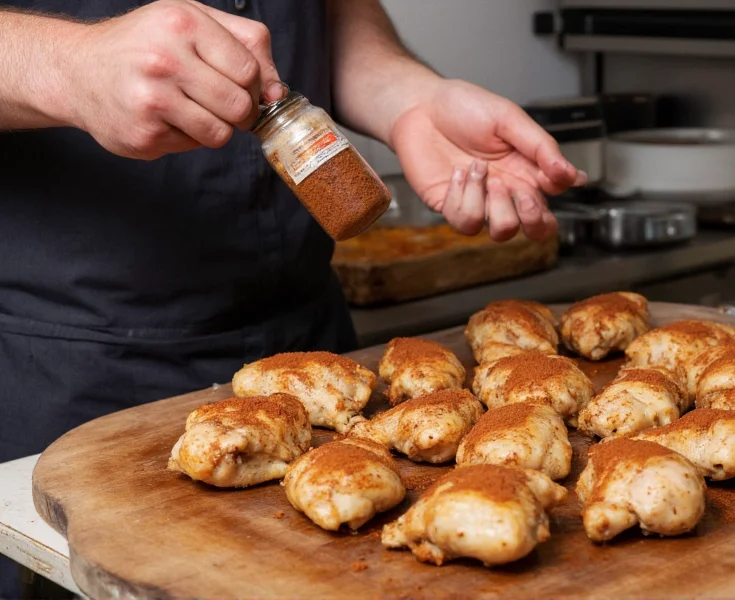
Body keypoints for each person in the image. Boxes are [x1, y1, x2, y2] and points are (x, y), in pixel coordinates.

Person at [0, 0, 582, 597]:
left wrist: (409, 98)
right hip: (83, 372)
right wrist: (66, 63)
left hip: (319, 354)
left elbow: (327, 14)